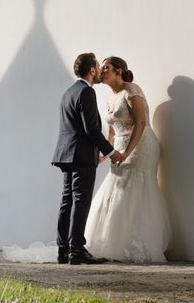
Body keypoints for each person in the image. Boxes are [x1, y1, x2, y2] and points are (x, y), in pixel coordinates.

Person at [84, 56, 171, 263]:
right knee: (116, 189)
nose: (101, 71)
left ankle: (140, 245)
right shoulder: (109, 97)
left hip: (141, 146)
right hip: (120, 148)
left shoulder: (131, 90)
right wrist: (106, 154)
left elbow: (140, 123)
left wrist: (127, 153)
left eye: (106, 68)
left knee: (136, 189)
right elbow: (112, 132)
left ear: (119, 70)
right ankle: (114, 244)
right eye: (101, 68)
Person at [51, 53, 124, 265]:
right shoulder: (87, 92)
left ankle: (63, 250)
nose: (100, 71)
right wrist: (112, 152)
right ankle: (77, 250)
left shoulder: (67, 93)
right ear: (92, 70)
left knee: (67, 201)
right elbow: (91, 129)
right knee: (80, 202)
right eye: (97, 66)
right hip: (81, 156)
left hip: (65, 155)